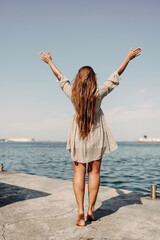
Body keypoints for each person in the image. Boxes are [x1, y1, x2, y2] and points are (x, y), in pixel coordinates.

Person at [39, 47, 142, 227]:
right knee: (94, 172)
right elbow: (114, 77)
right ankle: (90, 211)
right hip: (95, 137)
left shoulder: (73, 95)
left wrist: (49, 62)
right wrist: (128, 58)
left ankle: (80, 211)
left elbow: (60, 77)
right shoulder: (98, 94)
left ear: (78, 80)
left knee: (78, 172)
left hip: (78, 136)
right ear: (93, 80)